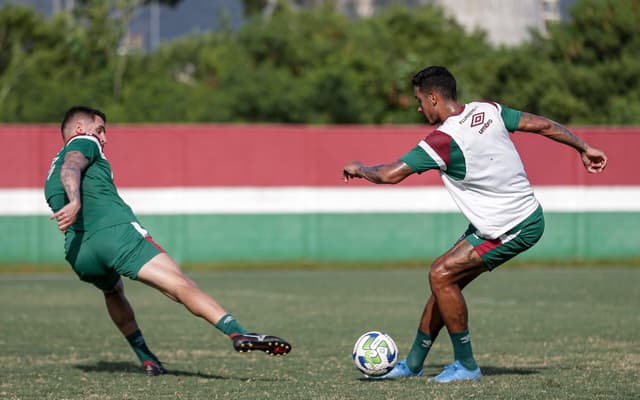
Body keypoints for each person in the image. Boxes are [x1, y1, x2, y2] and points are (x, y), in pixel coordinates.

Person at [342, 66, 607, 382]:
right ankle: (412, 365)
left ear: (433, 97)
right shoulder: (487, 110)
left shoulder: (442, 140)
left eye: (419, 100)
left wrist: (360, 168)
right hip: (501, 221)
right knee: (445, 281)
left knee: (440, 275)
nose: (418, 108)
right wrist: (583, 147)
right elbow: (542, 125)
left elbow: (389, 174)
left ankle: (466, 365)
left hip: (513, 225)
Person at [44, 106, 291, 376]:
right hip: (115, 235)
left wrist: (75, 203)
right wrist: (77, 200)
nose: (104, 138)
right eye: (100, 129)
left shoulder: (49, 171)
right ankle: (239, 333)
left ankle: (147, 358)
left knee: (113, 292)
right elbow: (73, 164)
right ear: (80, 128)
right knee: (179, 284)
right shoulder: (83, 142)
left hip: (80, 254)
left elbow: (66, 170)